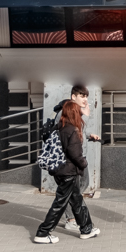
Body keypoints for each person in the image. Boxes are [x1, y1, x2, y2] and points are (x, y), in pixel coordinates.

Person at [33, 99, 100, 244]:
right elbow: (75, 154)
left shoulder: (60, 128)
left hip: (61, 171)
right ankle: (43, 232)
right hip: (68, 172)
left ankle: (86, 228)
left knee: (76, 200)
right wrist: (84, 163)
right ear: (74, 113)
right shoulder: (72, 130)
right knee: (60, 203)